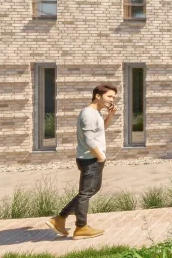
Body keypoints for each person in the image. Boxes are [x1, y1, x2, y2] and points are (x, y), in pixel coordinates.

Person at [46, 84, 117, 239]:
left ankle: (60, 219)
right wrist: (100, 156)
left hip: (92, 158)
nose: (112, 100)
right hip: (90, 159)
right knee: (85, 193)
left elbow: (100, 131)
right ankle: (81, 227)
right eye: (109, 96)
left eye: (113, 97)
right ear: (98, 96)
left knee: (91, 190)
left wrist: (110, 116)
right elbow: (89, 140)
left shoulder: (96, 113)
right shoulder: (89, 114)